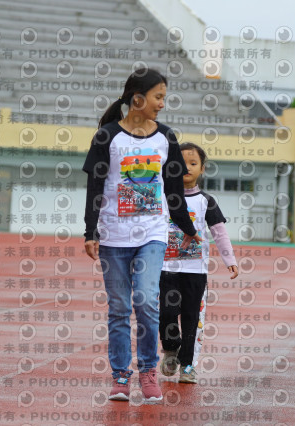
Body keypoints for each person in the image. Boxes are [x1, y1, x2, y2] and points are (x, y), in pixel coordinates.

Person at [82, 68, 201, 403]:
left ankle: (148, 370)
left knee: (147, 301)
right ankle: (121, 375)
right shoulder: (107, 137)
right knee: (120, 308)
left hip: (152, 233)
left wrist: (188, 228)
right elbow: (95, 187)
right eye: (158, 97)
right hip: (113, 236)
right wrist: (90, 230)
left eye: (164, 97)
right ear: (137, 98)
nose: (162, 104)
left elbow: (174, 191)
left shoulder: (166, 138)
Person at [159, 142, 239, 384]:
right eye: (181, 163)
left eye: (193, 163)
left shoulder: (206, 201)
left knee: (192, 318)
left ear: (202, 168)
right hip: (166, 269)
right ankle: (170, 348)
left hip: (195, 271)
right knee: (167, 313)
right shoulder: (163, 198)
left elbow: (219, 232)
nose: (187, 168)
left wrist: (229, 259)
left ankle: (188, 365)